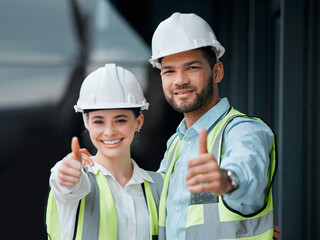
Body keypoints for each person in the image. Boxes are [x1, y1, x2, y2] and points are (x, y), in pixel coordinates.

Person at [148, 12, 278, 239]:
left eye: (192, 68)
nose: (179, 80)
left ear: (217, 72)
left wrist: (227, 180)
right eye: (169, 71)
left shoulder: (243, 130)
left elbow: (247, 171)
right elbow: (149, 198)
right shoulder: (176, 144)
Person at [45, 63, 163, 240]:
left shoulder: (159, 186)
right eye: (99, 122)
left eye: (120, 120)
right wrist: (67, 174)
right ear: (86, 122)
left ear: (138, 122)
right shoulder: (77, 176)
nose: (109, 132)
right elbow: (66, 185)